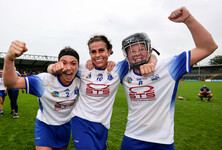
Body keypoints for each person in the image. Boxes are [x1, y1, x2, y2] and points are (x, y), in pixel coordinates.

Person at [119, 6, 217, 150]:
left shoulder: (168, 66)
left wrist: (188, 19)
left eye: (141, 49)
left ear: (149, 49)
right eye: (132, 51)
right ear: (126, 55)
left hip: (163, 141)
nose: (137, 54)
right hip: (132, 138)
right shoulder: (123, 71)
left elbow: (208, 47)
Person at [48, 35, 158, 150]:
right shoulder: (82, 69)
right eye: (93, 52)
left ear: (109, 51)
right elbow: (51, 68)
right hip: (81, 122)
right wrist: (52, 67)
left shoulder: (118, 68)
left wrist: (151, 64)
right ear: (90, 54)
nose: (97, 55)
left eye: (101, 50)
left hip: (103, 126)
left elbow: (149, 56)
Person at [3, 40, 80, 150]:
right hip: (45, 125)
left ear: (78, 67)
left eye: (73, 63)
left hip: (65, 126)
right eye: (64, 63)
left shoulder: (80, 81)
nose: (68, 67)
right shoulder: (44, 80)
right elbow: (11, 82)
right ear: (58, 64)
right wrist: (9, 59)